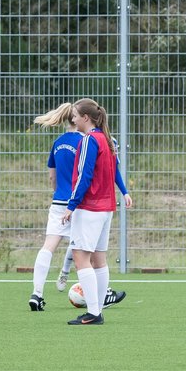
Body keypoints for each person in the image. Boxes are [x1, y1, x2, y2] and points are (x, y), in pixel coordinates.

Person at [26, 102, 131, 312]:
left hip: (61, 201)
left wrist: (61, 194)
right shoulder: (91, 141)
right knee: (89, 255)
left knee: (51, 246)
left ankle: (37, 293)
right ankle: (98, 302)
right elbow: (91, 174)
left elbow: (52, 176)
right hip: (83, 202)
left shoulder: (59, 143)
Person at [61, 98, 132, 325]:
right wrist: (124, 191)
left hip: (89, 208)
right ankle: (98, 309)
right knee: (99, 260)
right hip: (106, 209)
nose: (72, 119)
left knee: (82, 259)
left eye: (74, 115)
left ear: (85, 118)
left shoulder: (90, 140)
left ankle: (93, 313)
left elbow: (84, 175)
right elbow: (115, 170)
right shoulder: (106, 139)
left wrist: (71, 206)